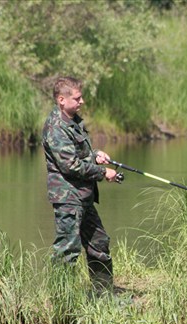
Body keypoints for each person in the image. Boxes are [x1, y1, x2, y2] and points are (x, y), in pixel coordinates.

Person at [42, 76, 118, 291]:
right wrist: (103, 172)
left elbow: (80, 155)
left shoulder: (74, 121)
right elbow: (70, 166)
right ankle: (60, 300)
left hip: (83, 196)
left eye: (81, 97)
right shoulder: (55, 127)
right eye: (77, 98)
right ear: (61, 100)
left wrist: (95, 155)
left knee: (99, 243)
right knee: (68, 250)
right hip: (68, 199)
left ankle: (103, 295)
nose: (81, 101)